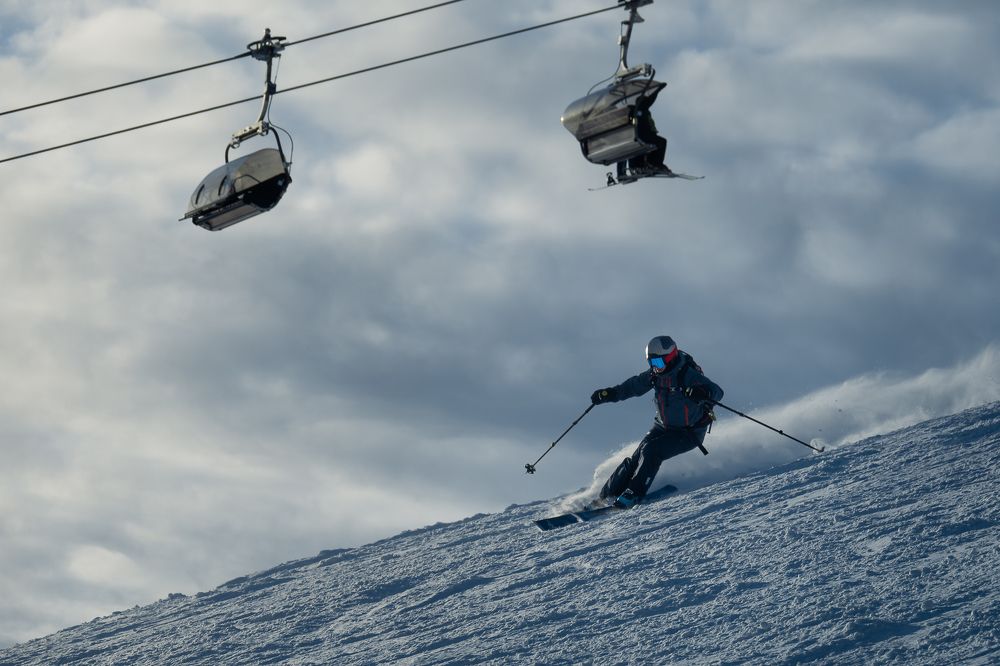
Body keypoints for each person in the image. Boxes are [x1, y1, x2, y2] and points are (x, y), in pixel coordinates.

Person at [590, 335, 724, 508]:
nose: (655, 368)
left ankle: (633, 494)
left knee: (652, 451)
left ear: (670, 358)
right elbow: (632, 386)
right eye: (651, 363)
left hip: (688, 432)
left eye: (658, 363)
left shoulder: (687, 374)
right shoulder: (655, 375)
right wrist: (610, 394)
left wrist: (701, 393)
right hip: (662, 426)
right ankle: (606, 496)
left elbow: (717, 392)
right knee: (636, 456)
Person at [627, 85, 672, 175]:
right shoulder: (640, 109)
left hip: (642, 135)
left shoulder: (639, 110)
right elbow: (650, 100)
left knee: (655, 143)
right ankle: (654, 164)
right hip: (642, 135)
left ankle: (645, 164)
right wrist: (657, 90)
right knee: (661, 142)